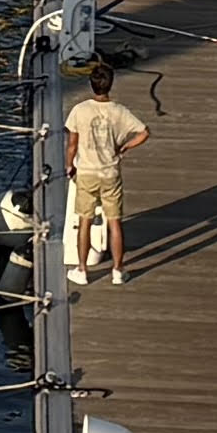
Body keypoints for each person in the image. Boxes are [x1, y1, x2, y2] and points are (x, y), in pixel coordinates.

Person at [64, 61, 148, 288]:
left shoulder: (79, 110)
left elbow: (72, 145)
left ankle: (82, 269)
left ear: (91, 84)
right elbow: (143, 132)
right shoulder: (119, 111)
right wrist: (125, 146)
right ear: (110, 85)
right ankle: (118, 270)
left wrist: (69, 165)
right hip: (110, 172)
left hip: (87, 173)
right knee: (114, 222)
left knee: (85, 221)